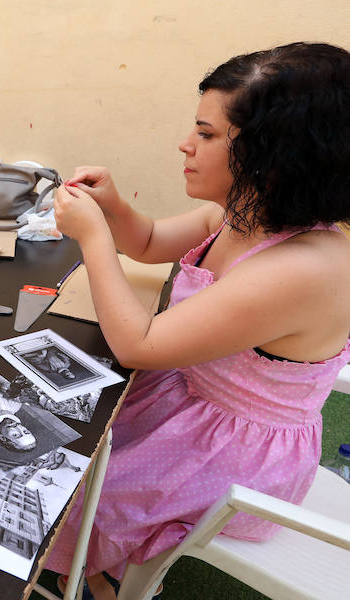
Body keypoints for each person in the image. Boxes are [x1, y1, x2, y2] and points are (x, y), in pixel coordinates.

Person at [46, 42, 350, 600]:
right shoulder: (239, 209)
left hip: (232, 453)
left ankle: (106, 578)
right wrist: (112, 207)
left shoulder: (303, 267)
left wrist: (91, 235)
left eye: (208, 135)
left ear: (275, 153)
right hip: (189, 397)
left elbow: (138, 343)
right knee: (65, 441)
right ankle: (95, 563)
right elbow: (150, 241)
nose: (185, 145)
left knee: (78, 494)